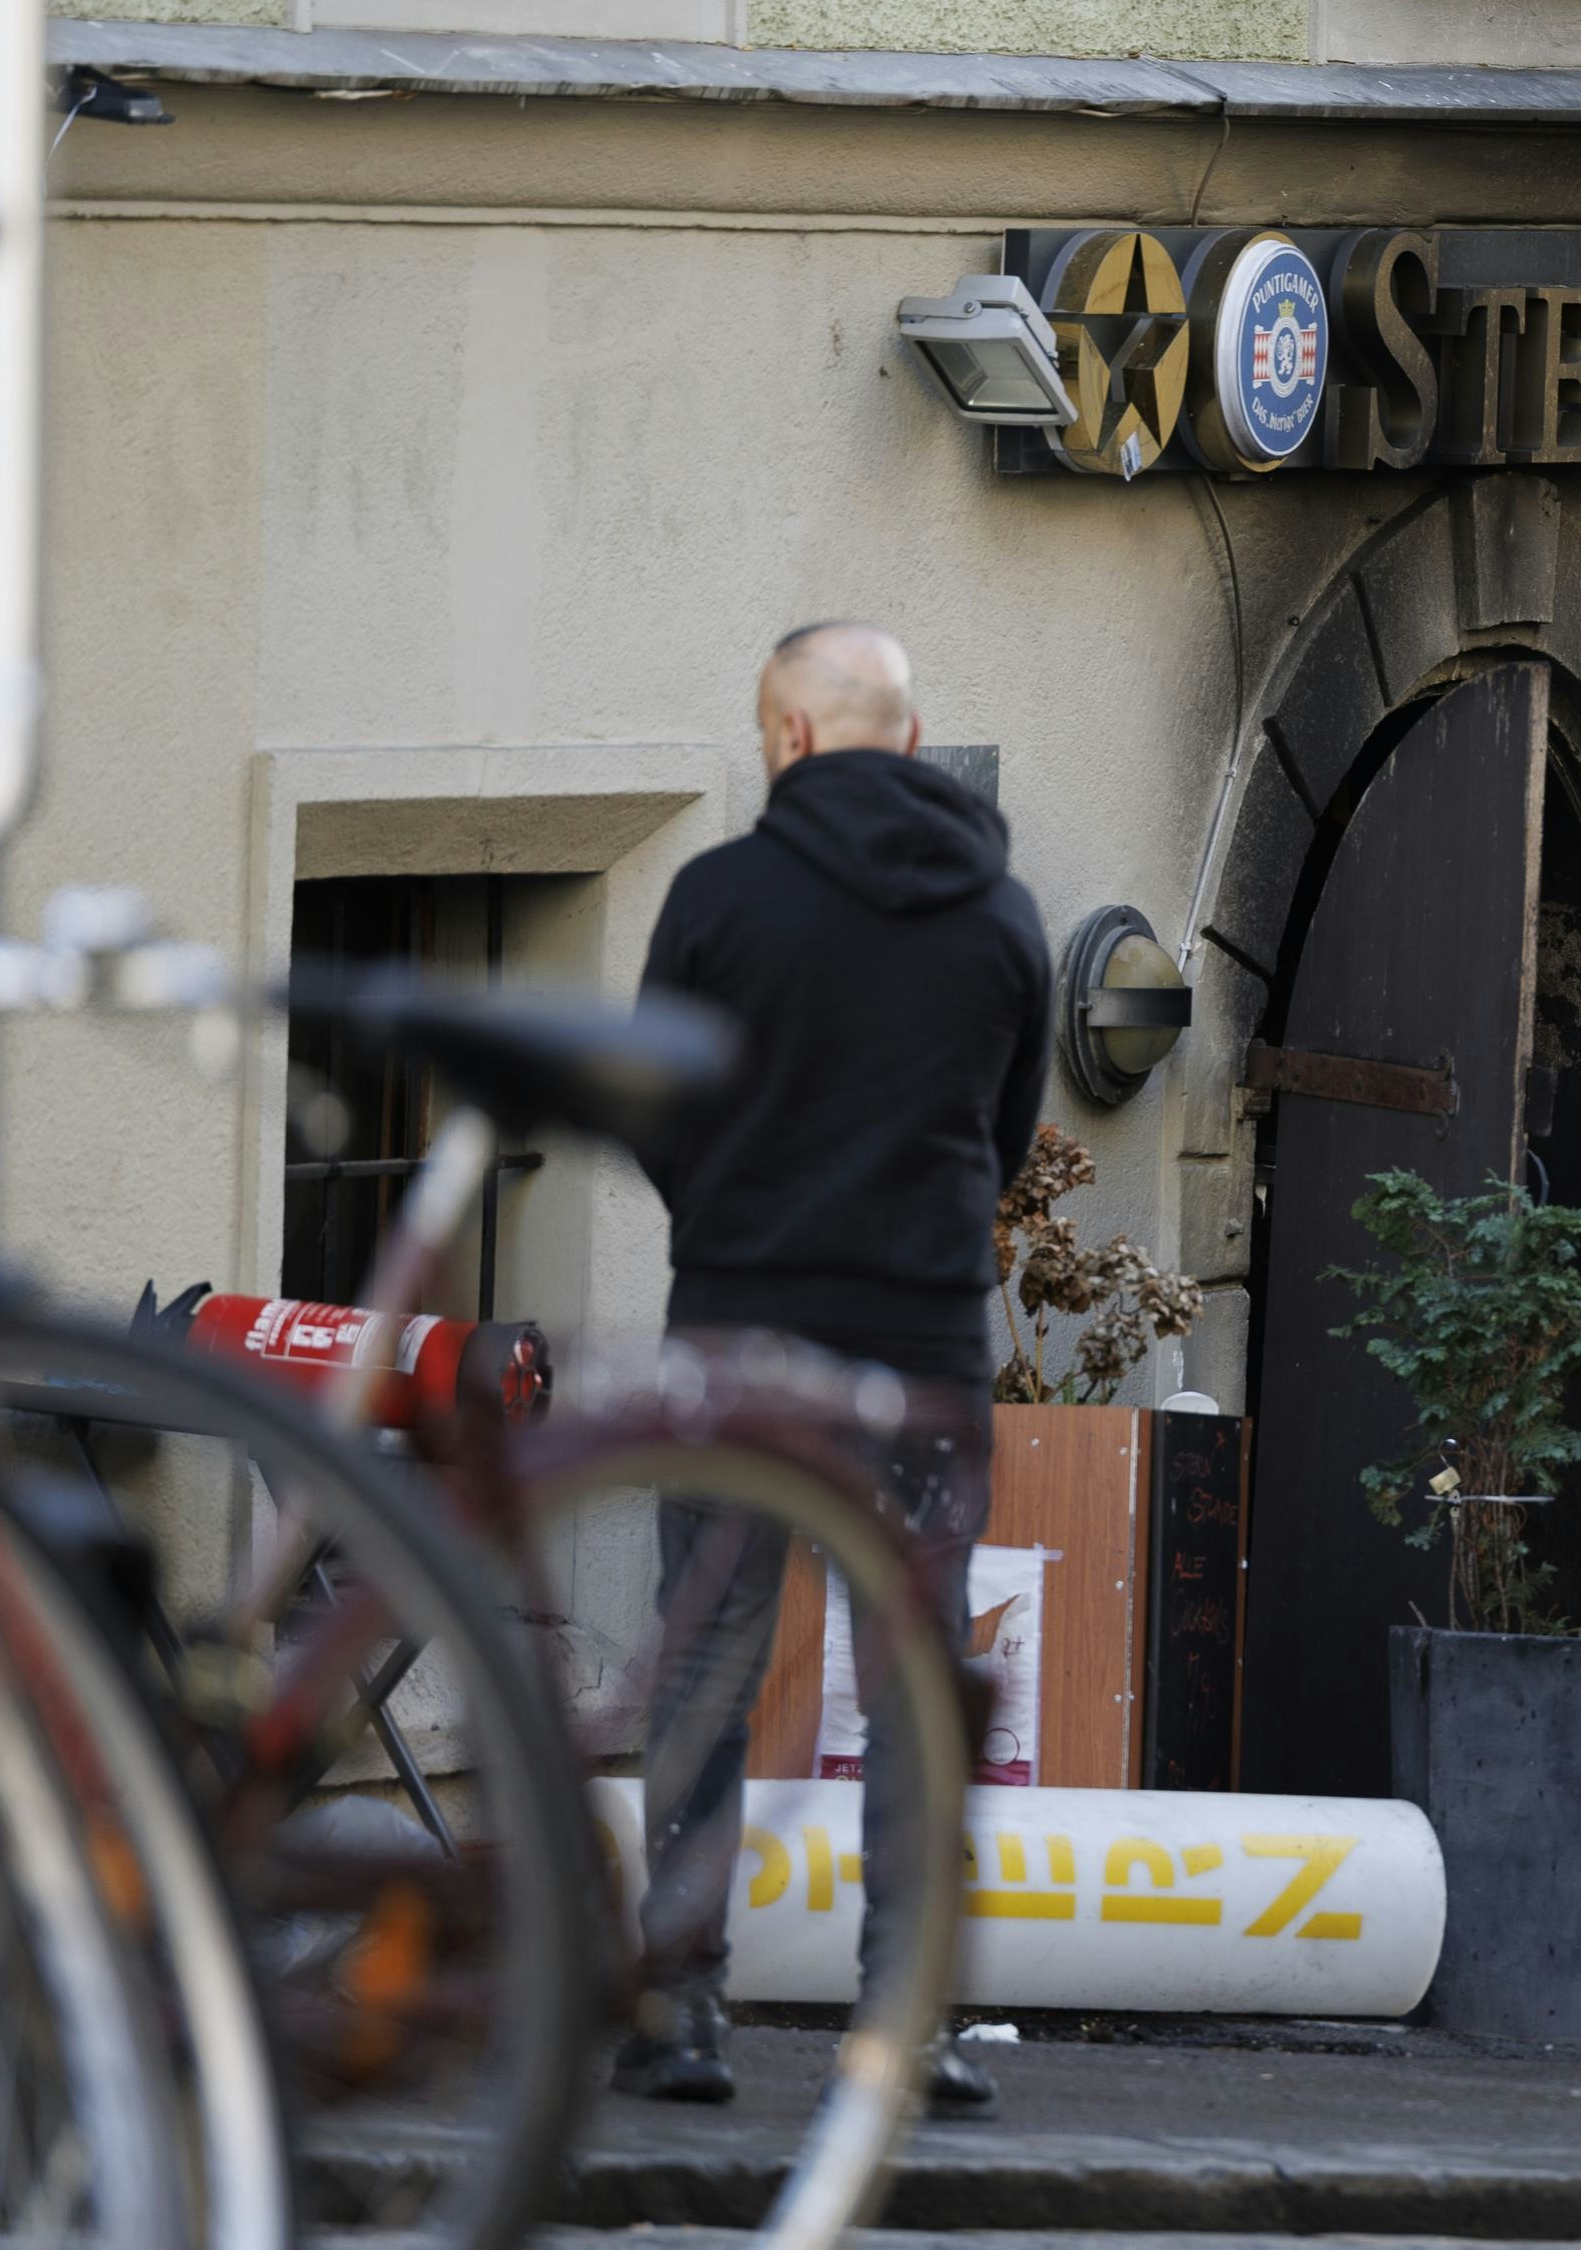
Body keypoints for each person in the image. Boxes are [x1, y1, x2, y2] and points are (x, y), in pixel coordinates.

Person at [613, 621, 1049, 2115]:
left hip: (739, 1330)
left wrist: (736, 1227)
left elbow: (651, 1106)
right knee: (915, 1683)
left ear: (789, 738)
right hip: (921, 1347)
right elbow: (1006, 1134)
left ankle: (676, 2014)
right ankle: (905, 2027)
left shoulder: (718, 897)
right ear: (909, 742)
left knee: (707, 1673)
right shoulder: (1000, 917)